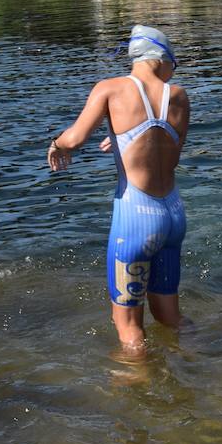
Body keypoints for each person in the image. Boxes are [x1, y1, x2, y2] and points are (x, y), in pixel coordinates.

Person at [48, 26, 189, 356]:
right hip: (174, 215)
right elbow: (168, 151)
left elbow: (76, 138)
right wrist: (129, 139)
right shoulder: (179, 96)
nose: (173, 71)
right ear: (161, 59)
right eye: (174, 64)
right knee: (172, 318)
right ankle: (201, 364)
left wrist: (56, 144)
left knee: (129, 328)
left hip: (137, 219)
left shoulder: (110, 89)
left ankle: (136, 395)